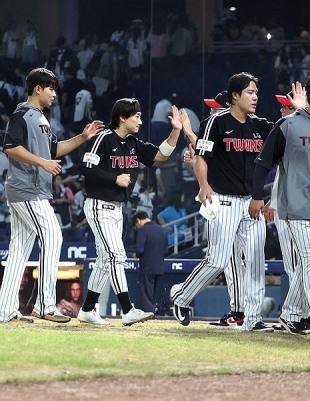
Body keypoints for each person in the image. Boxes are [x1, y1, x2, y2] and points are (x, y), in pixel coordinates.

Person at [170, 72, 272, 332]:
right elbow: (201, 158)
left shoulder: (259, 125)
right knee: (217, 260)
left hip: (251, 202)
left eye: (256, 92)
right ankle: (180, 297)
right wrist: (204, 186)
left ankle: (252, 318)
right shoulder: (215, 122)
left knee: (256, 261)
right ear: (235, 95)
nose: (255, 97)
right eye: (250, 92)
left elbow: (284, 139)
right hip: (223, 200)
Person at [0, 67, 103, 324]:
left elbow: (54, 149)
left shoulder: (42, 118)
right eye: (51, 88)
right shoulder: (23, 113)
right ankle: (45, 304)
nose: (54, 93)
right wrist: (42, 163)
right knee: (53, 236)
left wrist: (83, 137)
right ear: (38, 88)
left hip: (29, 189)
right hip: (27, 189)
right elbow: (10, 147)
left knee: (19, 251)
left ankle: (6, 310)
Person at [251, 71, 310, 336]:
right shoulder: (289, 125)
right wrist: (258, 196)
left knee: (309, 262)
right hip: (296, 206)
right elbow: (262, 163)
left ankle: (290, 314)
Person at [76, 98, 181, 326]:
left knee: (105, 261)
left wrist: (176, 131)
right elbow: (85, 166)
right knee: (117, 256)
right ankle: (127, 310)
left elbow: (160, 155)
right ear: (122, 117)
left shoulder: (133, 143)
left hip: (117, 208)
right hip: (98, 204)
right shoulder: (103, 138)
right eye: (136, 116)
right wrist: (114, 177)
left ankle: (86, 310)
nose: (140, 121)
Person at [132, 211, 167, 314]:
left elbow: (139, 250)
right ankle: (153, 311)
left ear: (138, 220)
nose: (137, 227)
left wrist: (136, 255)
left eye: (136, 225)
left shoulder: (143, 230)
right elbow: (166, 250)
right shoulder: (161, 229)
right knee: (153, 296)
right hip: (160, 267)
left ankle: (150, 314)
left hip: (147, 267)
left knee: (146, 295)